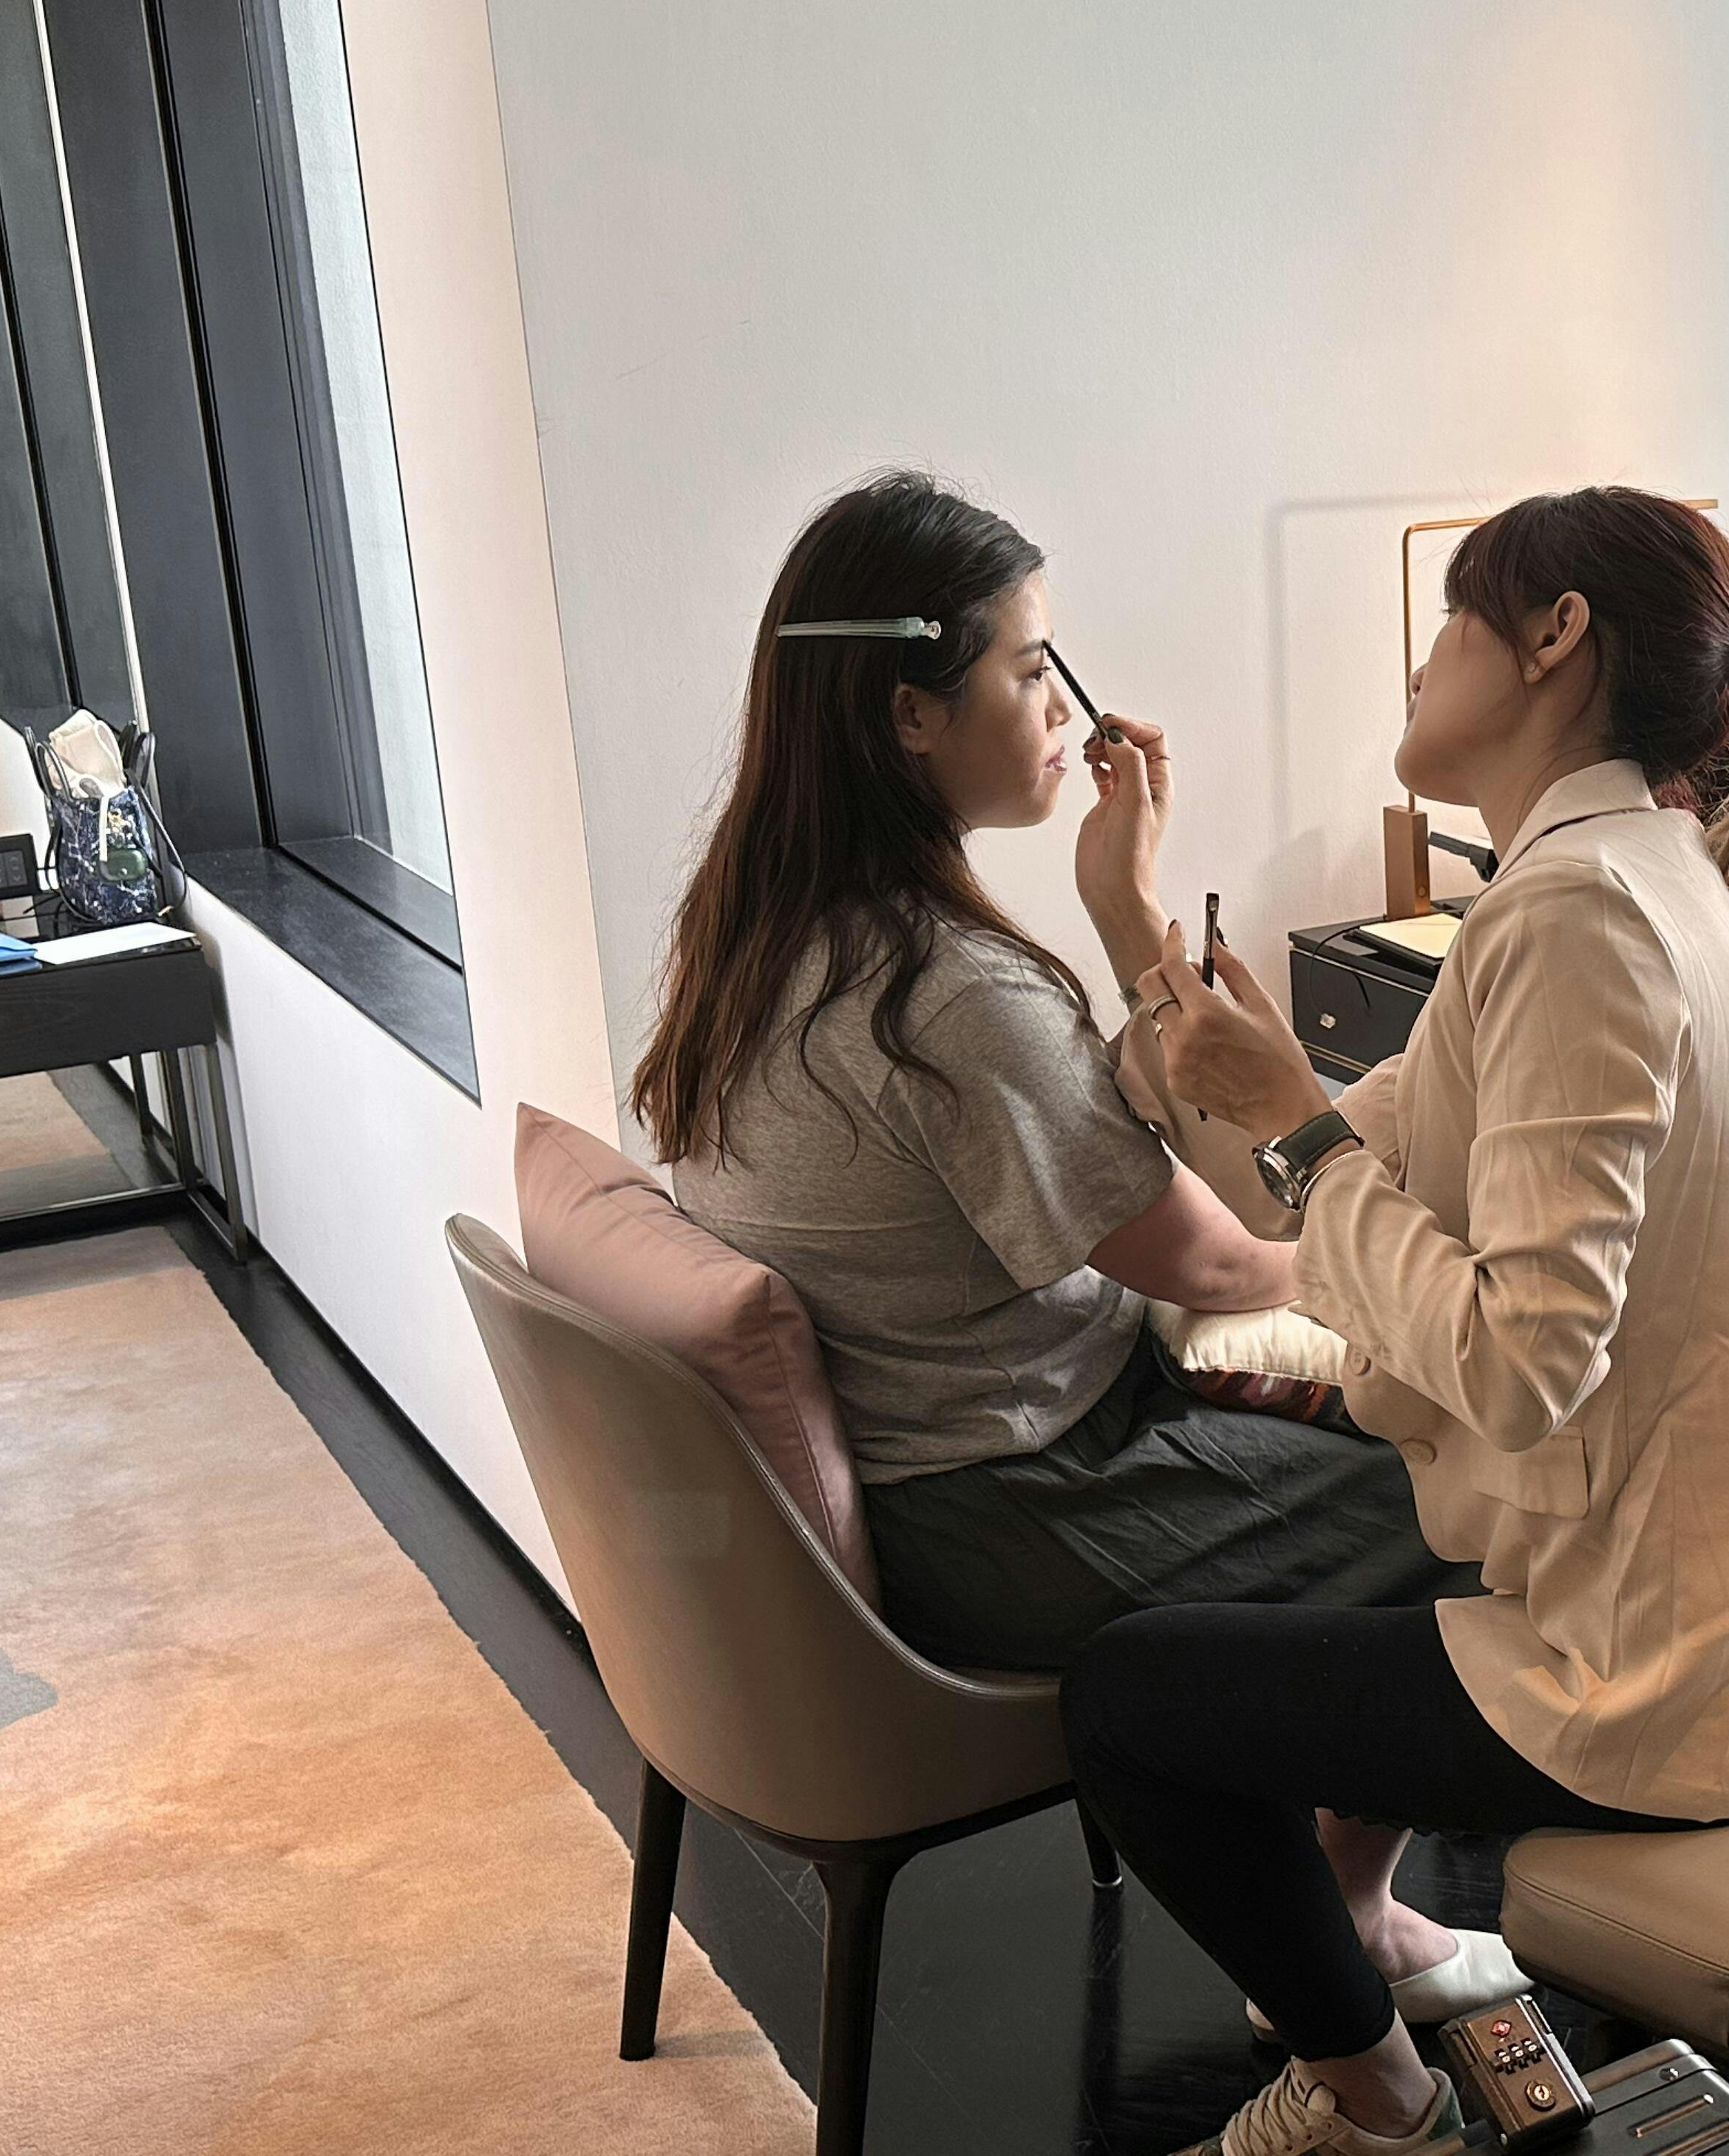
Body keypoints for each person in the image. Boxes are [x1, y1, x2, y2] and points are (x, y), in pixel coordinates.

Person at [1061, 487, 1729, 2156]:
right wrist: (1130, 914)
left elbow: (1516, 1361)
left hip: (1705, 1680)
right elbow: (1279, 1192)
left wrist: (1303, 1131)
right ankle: (1370, 1931)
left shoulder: (1573, 917)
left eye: (1452, 618)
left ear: (1555, 637)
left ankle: (1375, 2107)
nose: (1421, 660)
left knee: (1125, 1701)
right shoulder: (1618, 885)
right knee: (1392, 1529)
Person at [634, 472, 1526, 2033]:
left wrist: (1122, 909)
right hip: (1012, 1499)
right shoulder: (948, 996)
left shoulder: (762, 928)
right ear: (911, 715)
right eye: (1027, 666)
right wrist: (1407, 1255)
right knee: (1479, 1507)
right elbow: (1227, 1261)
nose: (1062, 706)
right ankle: (1346, 1920)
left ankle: (1347, 1907)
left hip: (943, 1457)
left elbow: (1090, 1146)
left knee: (1392, 1423)